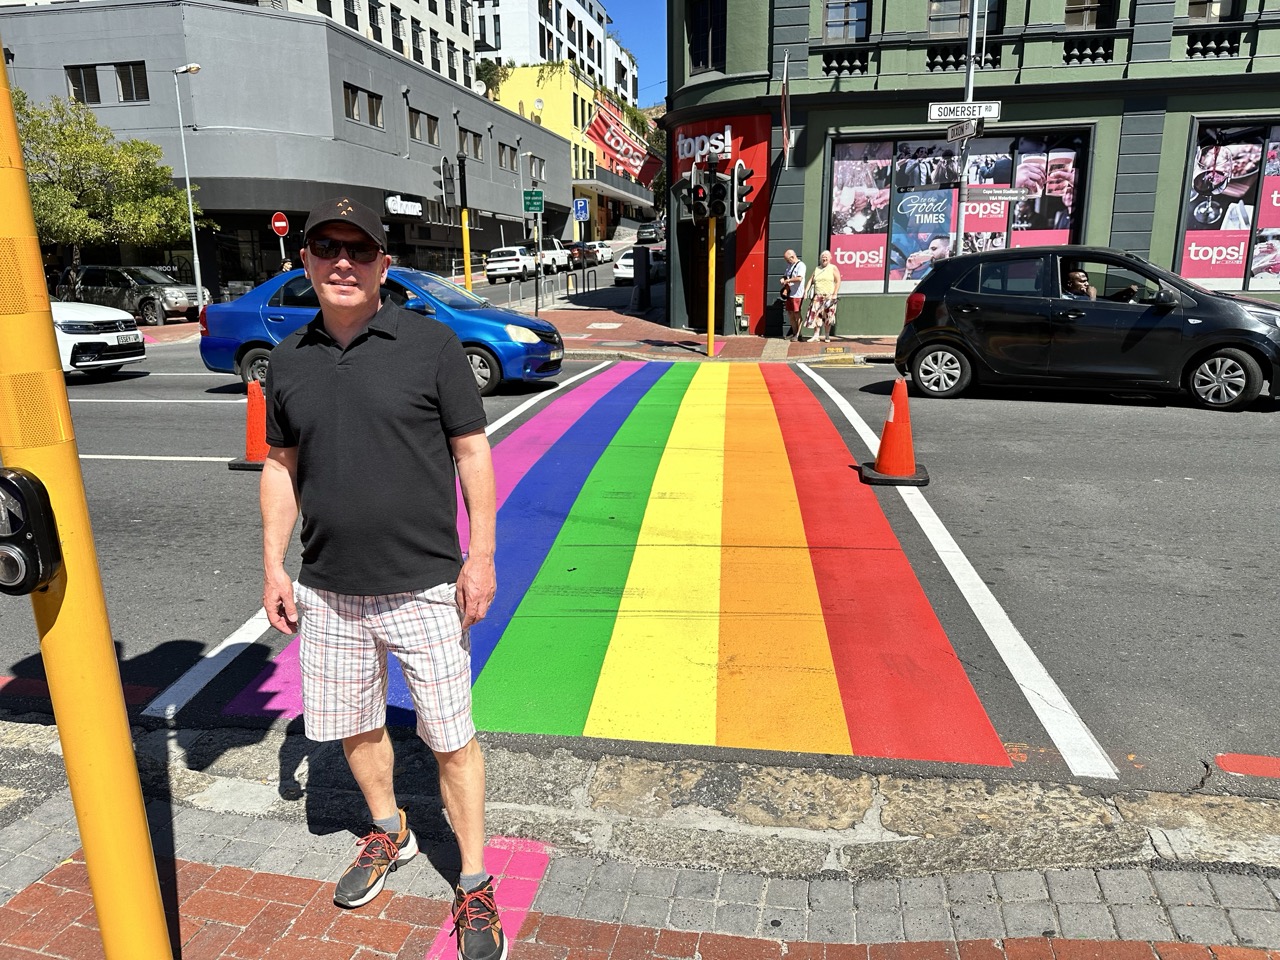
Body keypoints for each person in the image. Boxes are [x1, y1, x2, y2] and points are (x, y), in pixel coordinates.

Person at [260, 197, 506, 960]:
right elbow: (280, 465)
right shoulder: (289, 358)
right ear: (304, 260)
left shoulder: (430, 344)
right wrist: (272, 562)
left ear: (382, 266)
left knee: (452, 737)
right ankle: (390, 830)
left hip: (424, 582)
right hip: (328, 586)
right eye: (326, 248)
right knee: (355, 725)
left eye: (358, 250)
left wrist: (483, 555)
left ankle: (471, 883)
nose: (342, 262)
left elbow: (472, 453)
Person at [801, 249, 841, 342]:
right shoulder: (817, 269)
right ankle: (816, 335)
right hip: (817, 296)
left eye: (826, 257)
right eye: (823, 257)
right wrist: (806, 291)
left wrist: (835, 294)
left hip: (829, 296)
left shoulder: (833, 268)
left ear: (830, 258)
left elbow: (838, 280)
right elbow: (811, 280)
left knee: (828, 316)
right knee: (816, 315)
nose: (824, 258)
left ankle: (827, 335)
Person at [779, 249, 806, 340]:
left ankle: (798, 334)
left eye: (787, 259)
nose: (787, 261)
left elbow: (799, 278)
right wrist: (783, 279)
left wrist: (788, 280)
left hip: (797, 294)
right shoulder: (789, 266)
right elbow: (786, 275)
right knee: (790, 313)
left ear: (792, 257)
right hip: (790, 293)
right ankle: (794, 332)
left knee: (796, 313)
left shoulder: (801, 265)